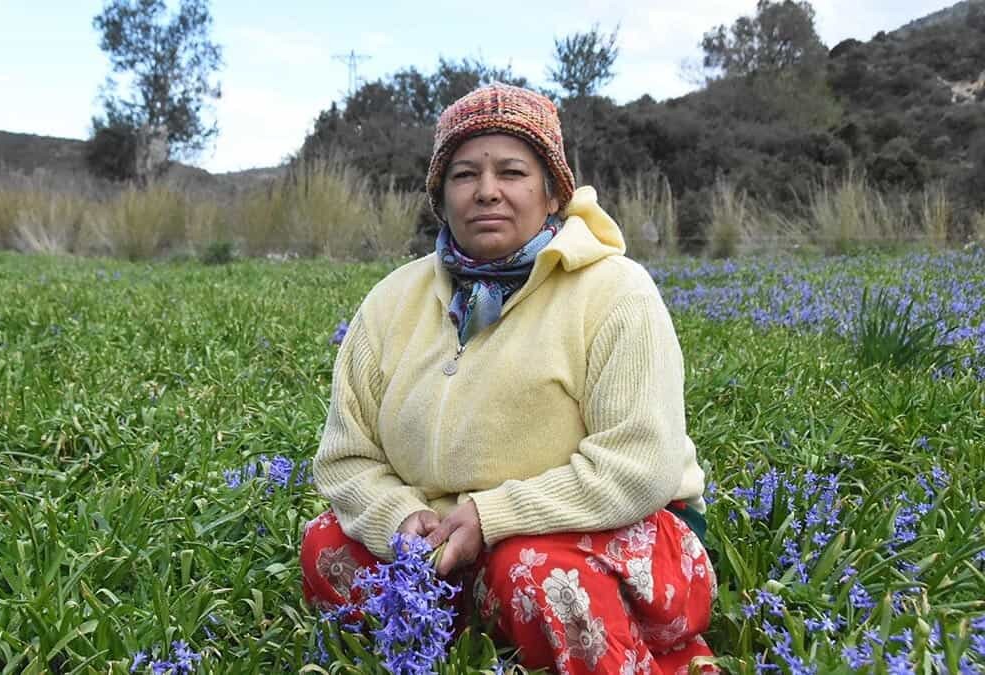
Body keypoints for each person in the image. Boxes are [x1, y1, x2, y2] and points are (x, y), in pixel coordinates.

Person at [300, 83, 714, 675]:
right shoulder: (390, 302)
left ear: (552, 193)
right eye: (465, 174)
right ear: (442, 197)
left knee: (536, 571)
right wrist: (400, 518)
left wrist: (494, 517)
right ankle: (466, 636)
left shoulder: (617, 293)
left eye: (512, 171)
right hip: (447, 543)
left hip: (605, 534)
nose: (487, 191)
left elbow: (639, 465)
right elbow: (344, 457)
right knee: (326, 546)